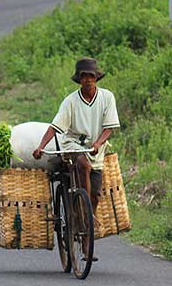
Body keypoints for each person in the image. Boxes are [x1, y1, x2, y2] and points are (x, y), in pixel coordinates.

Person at [32, 57, 120, 260]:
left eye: (91, 76)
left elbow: (109, 128)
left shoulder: (107, 98)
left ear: (96, 78)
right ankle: (83, 213)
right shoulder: (71, 101)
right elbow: (56, 126)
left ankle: (88, 224)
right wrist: (41, 147)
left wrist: (98, 144)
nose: (88, 80)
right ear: (79, 79)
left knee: (96, 195)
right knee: (83, 164)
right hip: (73, 146)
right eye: (84, 76)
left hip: (95, 149)